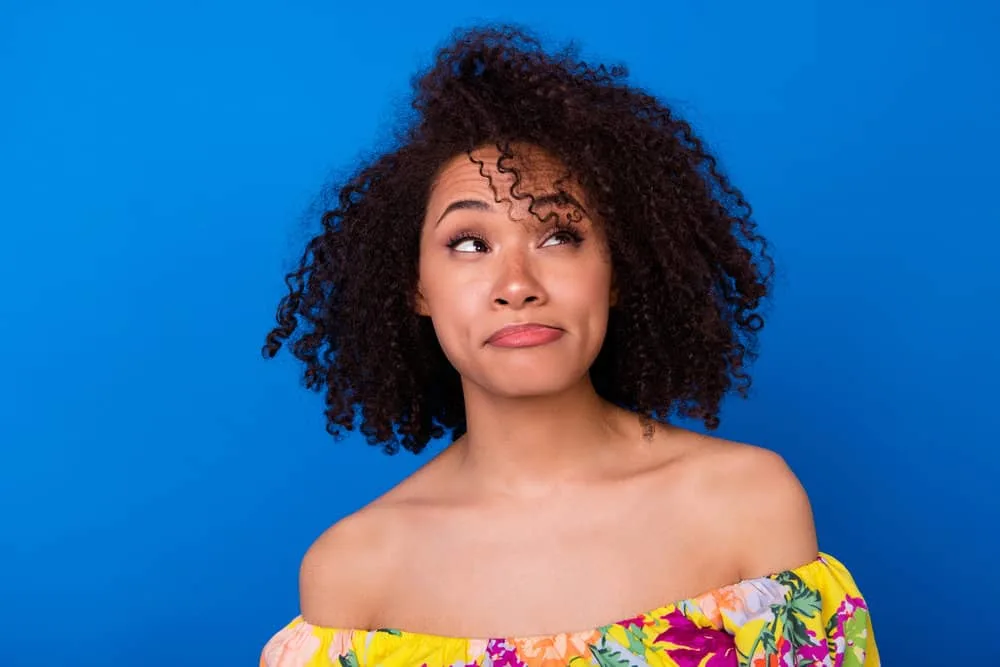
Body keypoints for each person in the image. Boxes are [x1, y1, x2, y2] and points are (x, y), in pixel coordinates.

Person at [259, 24, 879, 667]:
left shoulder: (744, 502)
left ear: (616, 272)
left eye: (559, 236)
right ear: (415, 289)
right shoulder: (354, 575)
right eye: (470, 244)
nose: (517, 285)